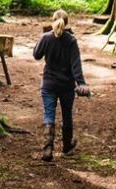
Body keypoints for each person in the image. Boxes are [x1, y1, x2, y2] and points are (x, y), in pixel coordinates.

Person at [33, 9, 90, 162]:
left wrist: (42, 38)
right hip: (66, 85)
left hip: (49, 83)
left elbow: (36, 55)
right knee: (67, 115)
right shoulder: (71, 40)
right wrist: (81, 83)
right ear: (67, 22)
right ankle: (66, 146)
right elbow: (75, 65)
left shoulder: (46, 38)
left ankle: (48, 148)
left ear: (53, 21)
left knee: (49, 114)